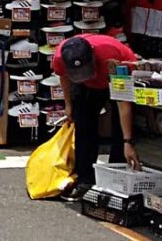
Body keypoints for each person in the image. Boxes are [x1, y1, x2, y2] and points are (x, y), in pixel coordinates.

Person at [53, 34, 142, 202]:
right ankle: (85, 180)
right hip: (85, 89)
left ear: (93, 54)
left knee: (120, 129)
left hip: (116, 78)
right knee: (84, 127)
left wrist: (127, 142)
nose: (86, 75)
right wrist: (68, 105)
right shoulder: (60, 57)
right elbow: (64, 78)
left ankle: (117, 176)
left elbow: (123, 104)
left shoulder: (113, 55)